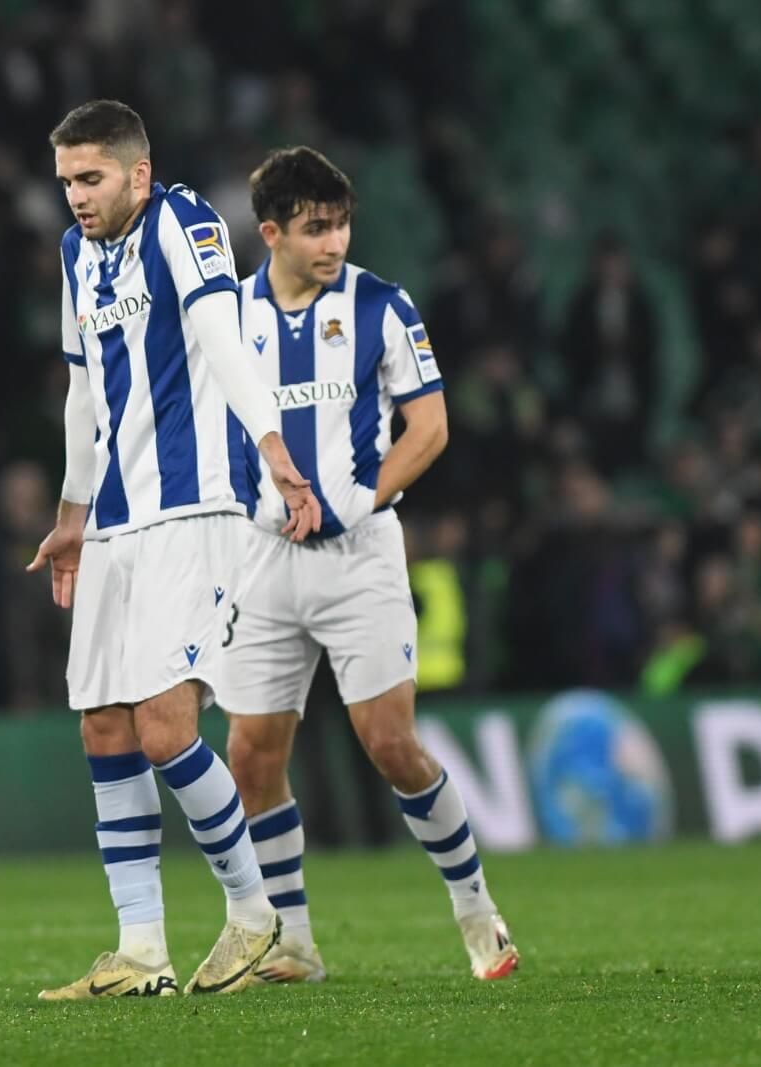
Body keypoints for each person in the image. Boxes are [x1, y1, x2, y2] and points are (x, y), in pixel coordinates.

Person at [28, 100, 322, 1001]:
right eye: (67, 181)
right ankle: (141, 949)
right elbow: (84, 392)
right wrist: (73, 510)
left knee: (165, 728)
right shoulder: (79, 255)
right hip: (115, 517)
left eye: (92, 178)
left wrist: (275, 452)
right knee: (105, 727)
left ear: (138, 173)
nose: (77, 197)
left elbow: (221, 339)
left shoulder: (184, 221)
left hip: (195, 507)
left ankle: (251, 908)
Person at [214, 146, 519, 983]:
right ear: (270, 232)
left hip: (358, 554)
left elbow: (430, 427)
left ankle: (475, 908)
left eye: (341, 223)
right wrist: (244, 501)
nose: (334, 241)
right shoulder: (226, 318)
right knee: (251, 758)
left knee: (390, 742)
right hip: (262, 557)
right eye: (316, 228)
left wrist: (358, 497)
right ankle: (296, 942)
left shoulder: (382, 306)